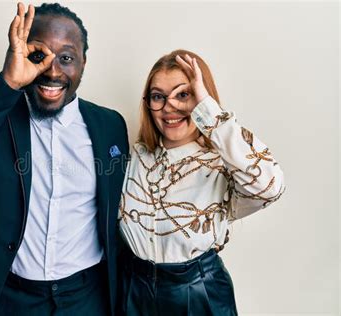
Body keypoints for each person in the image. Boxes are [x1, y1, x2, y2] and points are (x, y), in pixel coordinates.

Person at [0, 2, 129, 315]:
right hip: (8, 297)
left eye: (67, 58)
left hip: (86, 297)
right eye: (38, 55)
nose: (53, 70)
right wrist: (7, 83)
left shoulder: (110, 126)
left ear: (83, 62)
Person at [118, 49, 285, 315]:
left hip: (197, 294)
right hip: (133, 293)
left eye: (183, 95)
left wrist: (207, 110)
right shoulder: (135, 156)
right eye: (158, 96)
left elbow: (270, 186)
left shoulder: (224, 164)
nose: (170, 107)